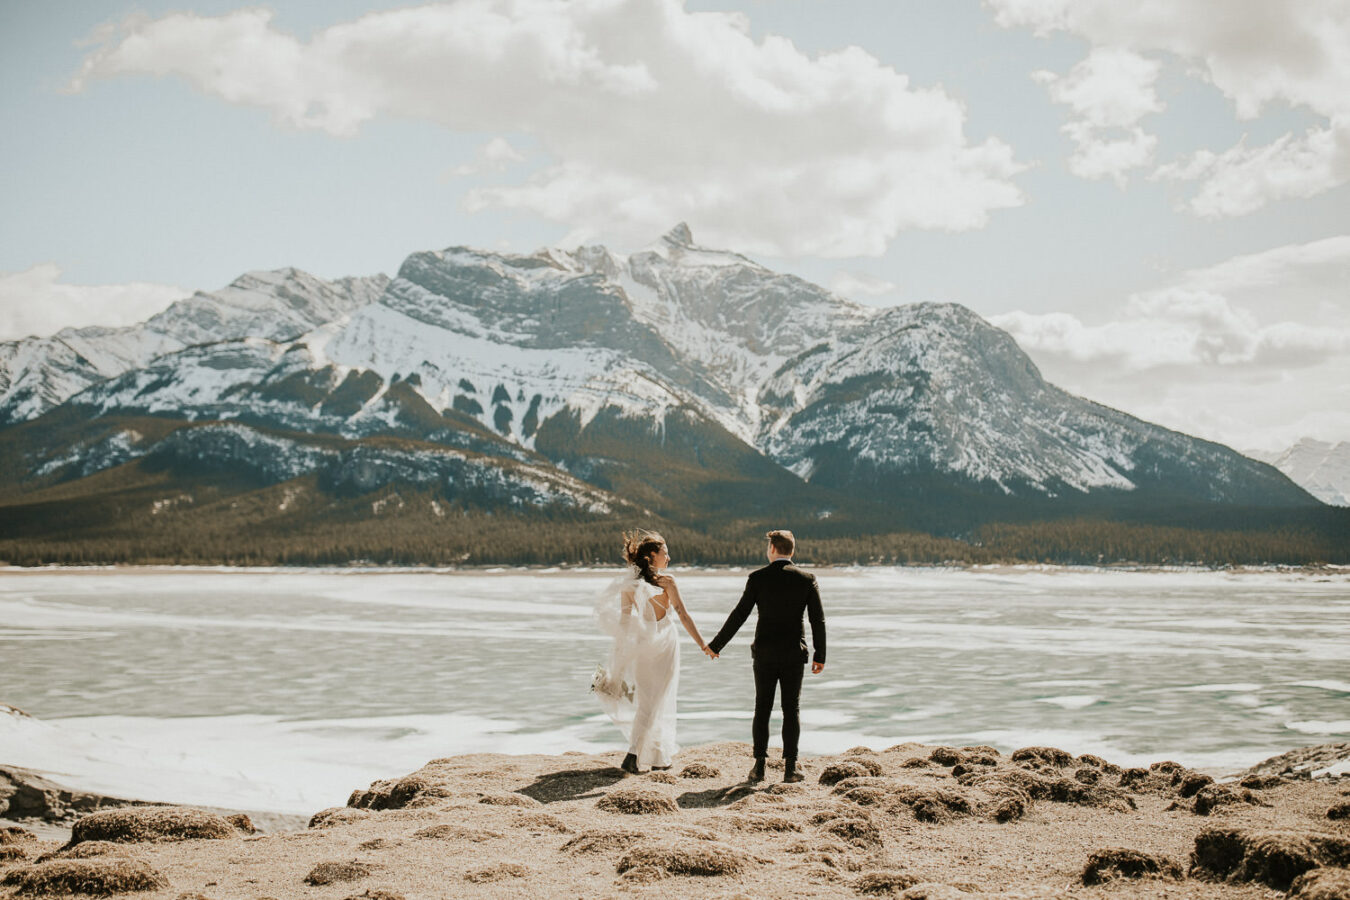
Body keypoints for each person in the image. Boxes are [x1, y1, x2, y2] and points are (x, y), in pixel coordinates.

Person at [593, 529, 716, 774]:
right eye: (665, 553)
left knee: (648, 700)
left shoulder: (629, 585)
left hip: (642, 645)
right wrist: (704, 644)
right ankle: (633, 755)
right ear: (652, 556)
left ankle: (658, 755)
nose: (668, 558)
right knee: (657, 700)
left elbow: (625, 623)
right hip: (666, 644)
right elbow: (682, 614)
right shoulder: (667, 581)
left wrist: (620, 656)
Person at [707, 529, 825, 783]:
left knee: (762, 708)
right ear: (791, 551)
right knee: (791, 709)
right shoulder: (807, 579)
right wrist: (820, 656)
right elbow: (818, 620)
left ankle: (759, 767)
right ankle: (791, 768)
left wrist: (716, 645)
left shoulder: (758, 578)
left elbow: (739, 615)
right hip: (794, 653)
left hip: (765, 653)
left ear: (772, 549)